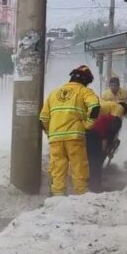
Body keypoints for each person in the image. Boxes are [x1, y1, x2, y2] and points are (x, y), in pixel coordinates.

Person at [39, 65, 101, 196]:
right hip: (74, 138)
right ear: (85, 80)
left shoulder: (53, 93)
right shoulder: (84, 91)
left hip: (55, 139)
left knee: (58, 171)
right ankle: (81, 197)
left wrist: (50, 133)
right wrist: (87, 125)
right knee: (79, 168)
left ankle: (57, 199)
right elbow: (95, 107)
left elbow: (43, 119)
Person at [86, 101, 127, 192]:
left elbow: (111, 135)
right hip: (94, 134)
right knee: (95, 160)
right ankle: (95, 185)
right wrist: (106, 147)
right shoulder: (117, 118)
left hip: (87, 131)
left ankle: (90, 181)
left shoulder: (107, 115)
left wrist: (108, 149)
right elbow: (110, 135)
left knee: (91, 159)